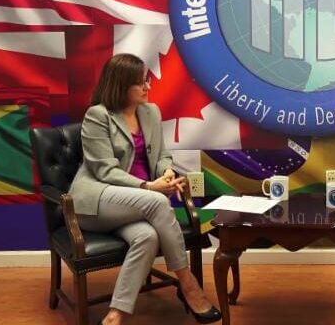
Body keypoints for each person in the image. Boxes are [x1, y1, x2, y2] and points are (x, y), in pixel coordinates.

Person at [68, 54, 221, 325]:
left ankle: (117, 313)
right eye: (140, 83)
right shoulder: (98, 115)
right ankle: (188, 285)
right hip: (96, 202)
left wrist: (167, 173)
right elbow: (104, 171)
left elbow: (162, 155)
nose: (147, 86)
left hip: (137, 205)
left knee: (147, 237)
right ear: (120, 84)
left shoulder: (151, 112)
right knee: (159, 202)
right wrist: (149, 186)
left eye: (146, 80)